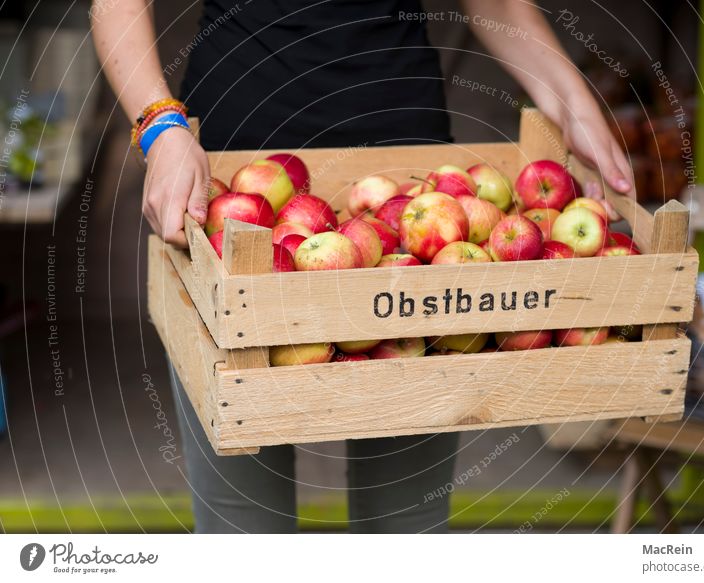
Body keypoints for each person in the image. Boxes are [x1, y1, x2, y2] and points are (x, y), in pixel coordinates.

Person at [91, 0, 633, 533]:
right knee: (242, 522)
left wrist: (574, 103)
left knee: (406, 524)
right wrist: (161, 127)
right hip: (230, 172)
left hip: (409, 185)